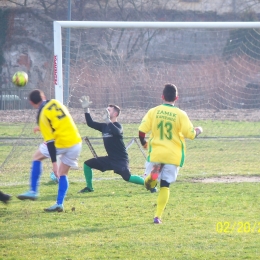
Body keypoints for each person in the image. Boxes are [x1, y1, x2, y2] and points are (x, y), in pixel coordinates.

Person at [138, 83, 203, 224]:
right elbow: (190, 134)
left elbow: (142, 131)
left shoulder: (153, 111)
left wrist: (145, 144)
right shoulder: (181, 114)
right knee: (165, 185)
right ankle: (157, 217)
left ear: (162, 97)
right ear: (176, 98)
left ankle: (152, 177)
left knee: (148, 184)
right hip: (173, 155)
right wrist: (199, 130)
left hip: (156, 153)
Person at [17, 89, 82, 212]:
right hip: (76, 142)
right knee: (63, 174)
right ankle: (59, 204)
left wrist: (54, 164)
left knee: (37, 157)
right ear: (44, 97)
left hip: (60, 142)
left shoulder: (42, 115)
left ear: (31, 103)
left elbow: (50, 142)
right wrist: (41, 128)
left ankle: (33, 191)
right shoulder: (55, 102)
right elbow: (58, 122)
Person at [78, 96, 146, 193]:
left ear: (115, 114)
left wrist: (108, 121)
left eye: (108, 110)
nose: (106, 111)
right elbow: (90, 123)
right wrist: (86, 109)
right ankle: (89, 188)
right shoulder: (104, 126)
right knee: (87, 164)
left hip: (120, 159)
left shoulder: (118, 126)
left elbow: (117, 132)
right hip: (110, 159)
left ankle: (149, 184)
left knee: (127, 177)